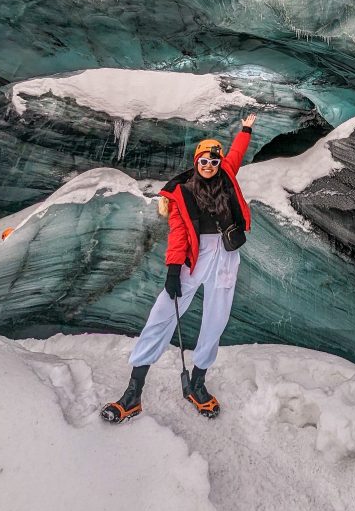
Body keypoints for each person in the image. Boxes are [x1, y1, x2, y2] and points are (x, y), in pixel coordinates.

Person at [101, 114, 256, 422]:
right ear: (196, 162)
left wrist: (246, 130)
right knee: (162, 314)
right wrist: (173, 269)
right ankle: (133, 392)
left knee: (216, 318)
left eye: (213, 161)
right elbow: (179, 234)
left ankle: (197, 384)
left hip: (225, 257)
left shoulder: (227, 175)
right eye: (204, 161)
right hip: (194, 259)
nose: (209, 166)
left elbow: (236, 153)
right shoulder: (183, 193)